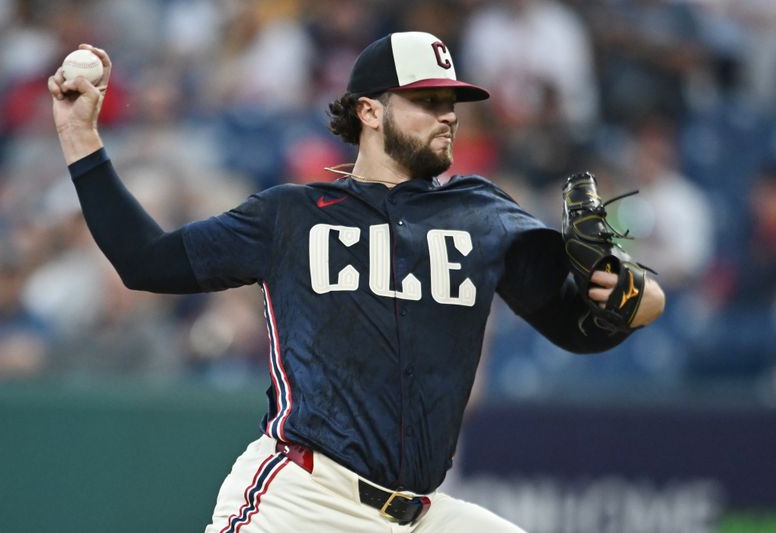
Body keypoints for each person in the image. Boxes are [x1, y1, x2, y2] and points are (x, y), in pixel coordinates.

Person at [48, 32, 665, 533]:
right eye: (425, 100)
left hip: (420, 514)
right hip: (303, 502)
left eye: (450, 101)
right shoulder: (291, 214)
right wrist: (80, 136)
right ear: (368, 111)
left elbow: (581, 324)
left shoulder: (484, 214)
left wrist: (635, 295)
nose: (446, 114)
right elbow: (147, 261)